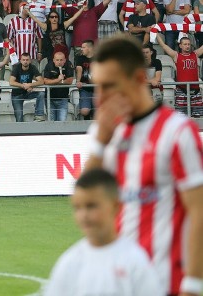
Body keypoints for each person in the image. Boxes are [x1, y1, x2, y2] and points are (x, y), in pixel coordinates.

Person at [87, 36, 203, 295]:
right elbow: (85, 203)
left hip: (163, 283)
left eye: (109, 86)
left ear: (139, 79)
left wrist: (193, 284)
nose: (100, 97)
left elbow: (199, 213)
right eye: (97, 87)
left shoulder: (178, 132)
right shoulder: (106, 133)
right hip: (115, 283)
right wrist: (99, 144)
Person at [44, 169, 160, 296]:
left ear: (116, 206)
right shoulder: (69, 263)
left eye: (91, 206)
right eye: (77, 207)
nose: (84, 215)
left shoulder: (135, 261)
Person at [8, 52, 46, 122]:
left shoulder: (33, 67)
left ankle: (39, 115)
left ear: (30, 60)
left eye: (27, 60)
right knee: (19, 117)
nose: (25, 62)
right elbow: (11, 82)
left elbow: (41, 81)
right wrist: (23, 86)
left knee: (41, 94)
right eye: (24, 60)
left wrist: (30, 85)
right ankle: (20, 132)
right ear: (20, 60)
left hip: (28, 92)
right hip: (16, 95)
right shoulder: (16, 68)